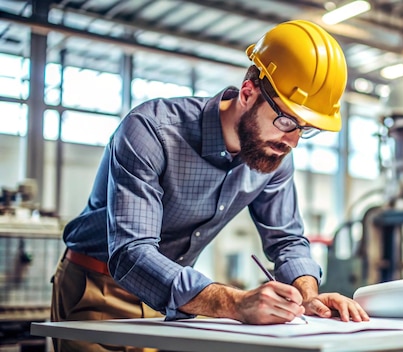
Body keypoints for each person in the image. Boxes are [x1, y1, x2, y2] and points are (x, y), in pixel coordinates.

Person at [51, 19, 369, 352]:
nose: (292, 140)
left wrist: (309, 297)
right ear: (248, 92)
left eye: (304, 129)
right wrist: (234, 303)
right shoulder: (151, 131)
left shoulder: (274, 152)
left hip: (178, 302)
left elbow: (287, 239)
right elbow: (132, 254)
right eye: (287, 120)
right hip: (98, 287)